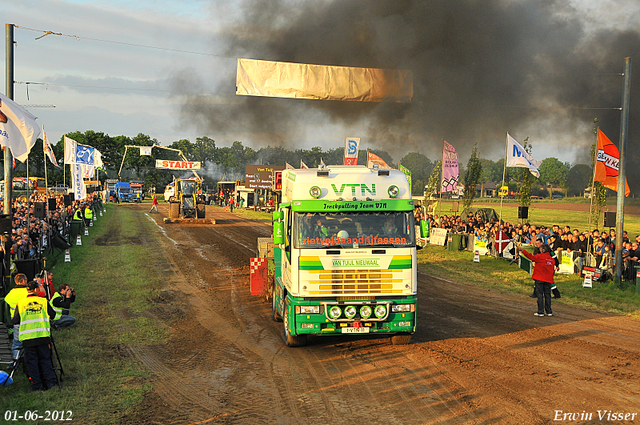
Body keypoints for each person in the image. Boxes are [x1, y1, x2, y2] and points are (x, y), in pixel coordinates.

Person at [12, 281, 58, 391]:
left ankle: (37, 386)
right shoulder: (43, 301)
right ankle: (50, 383)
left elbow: (15, 320)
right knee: (45, 360)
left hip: (28, 339)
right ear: (36, 290)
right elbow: (53, 315)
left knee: (32, 363)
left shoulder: (20, 303)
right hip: (42, 336)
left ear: (27, 290)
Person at [520, 244, 557, 317]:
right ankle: (549, 311)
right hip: (548, 280)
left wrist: (523, 251)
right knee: (548, 295)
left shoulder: (540, 257)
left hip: (540, 278)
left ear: (543, 250)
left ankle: (540, 311)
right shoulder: (551, 260)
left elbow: (530, 257)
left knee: (540, 295)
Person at [4, 273, 29, 359]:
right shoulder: (26, 291)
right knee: (28, 340)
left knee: (16, 341)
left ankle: (14, 361)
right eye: (26, 280)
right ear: (22, 281)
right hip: (26, 317)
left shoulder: (11, 292)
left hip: (15, 319)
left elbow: (6, 300)